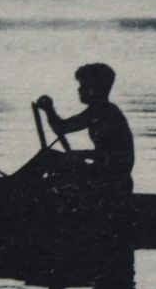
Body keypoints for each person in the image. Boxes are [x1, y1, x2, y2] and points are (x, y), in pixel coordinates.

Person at [12, 62, 135, 194]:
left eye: (83, 86)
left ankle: (11, 185)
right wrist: (49, 109)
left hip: (111, 180)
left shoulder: (106, 113)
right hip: (105, 175)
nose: (79, 90)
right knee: (50, 161)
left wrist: (81, 154)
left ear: (94, 89)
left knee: (49, 157)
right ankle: (15, 183)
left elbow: (117, 157)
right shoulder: (97, 111)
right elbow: (62, 127)